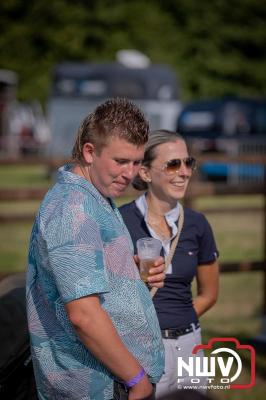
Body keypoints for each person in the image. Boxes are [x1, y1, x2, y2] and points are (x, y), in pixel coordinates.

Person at [26, 98, 166, 400]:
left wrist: (127, 269)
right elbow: (84, 316)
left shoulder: (94, 195)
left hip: (115, 381)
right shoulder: (72, 208)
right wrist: (137, 379)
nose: (130, 173)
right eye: (120, 161)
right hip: (101, 385)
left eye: (137, 162)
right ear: (90, 152)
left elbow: (84, 269)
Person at [119, 130, 219, 398]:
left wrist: (181, 324)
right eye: (173, 164)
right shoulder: (120, 222)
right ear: (145, 173)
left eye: (189, 163)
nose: (184, 172)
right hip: (142, 348)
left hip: (191, 346)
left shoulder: (198, 224)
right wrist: (153, 329)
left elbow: (209, 294)